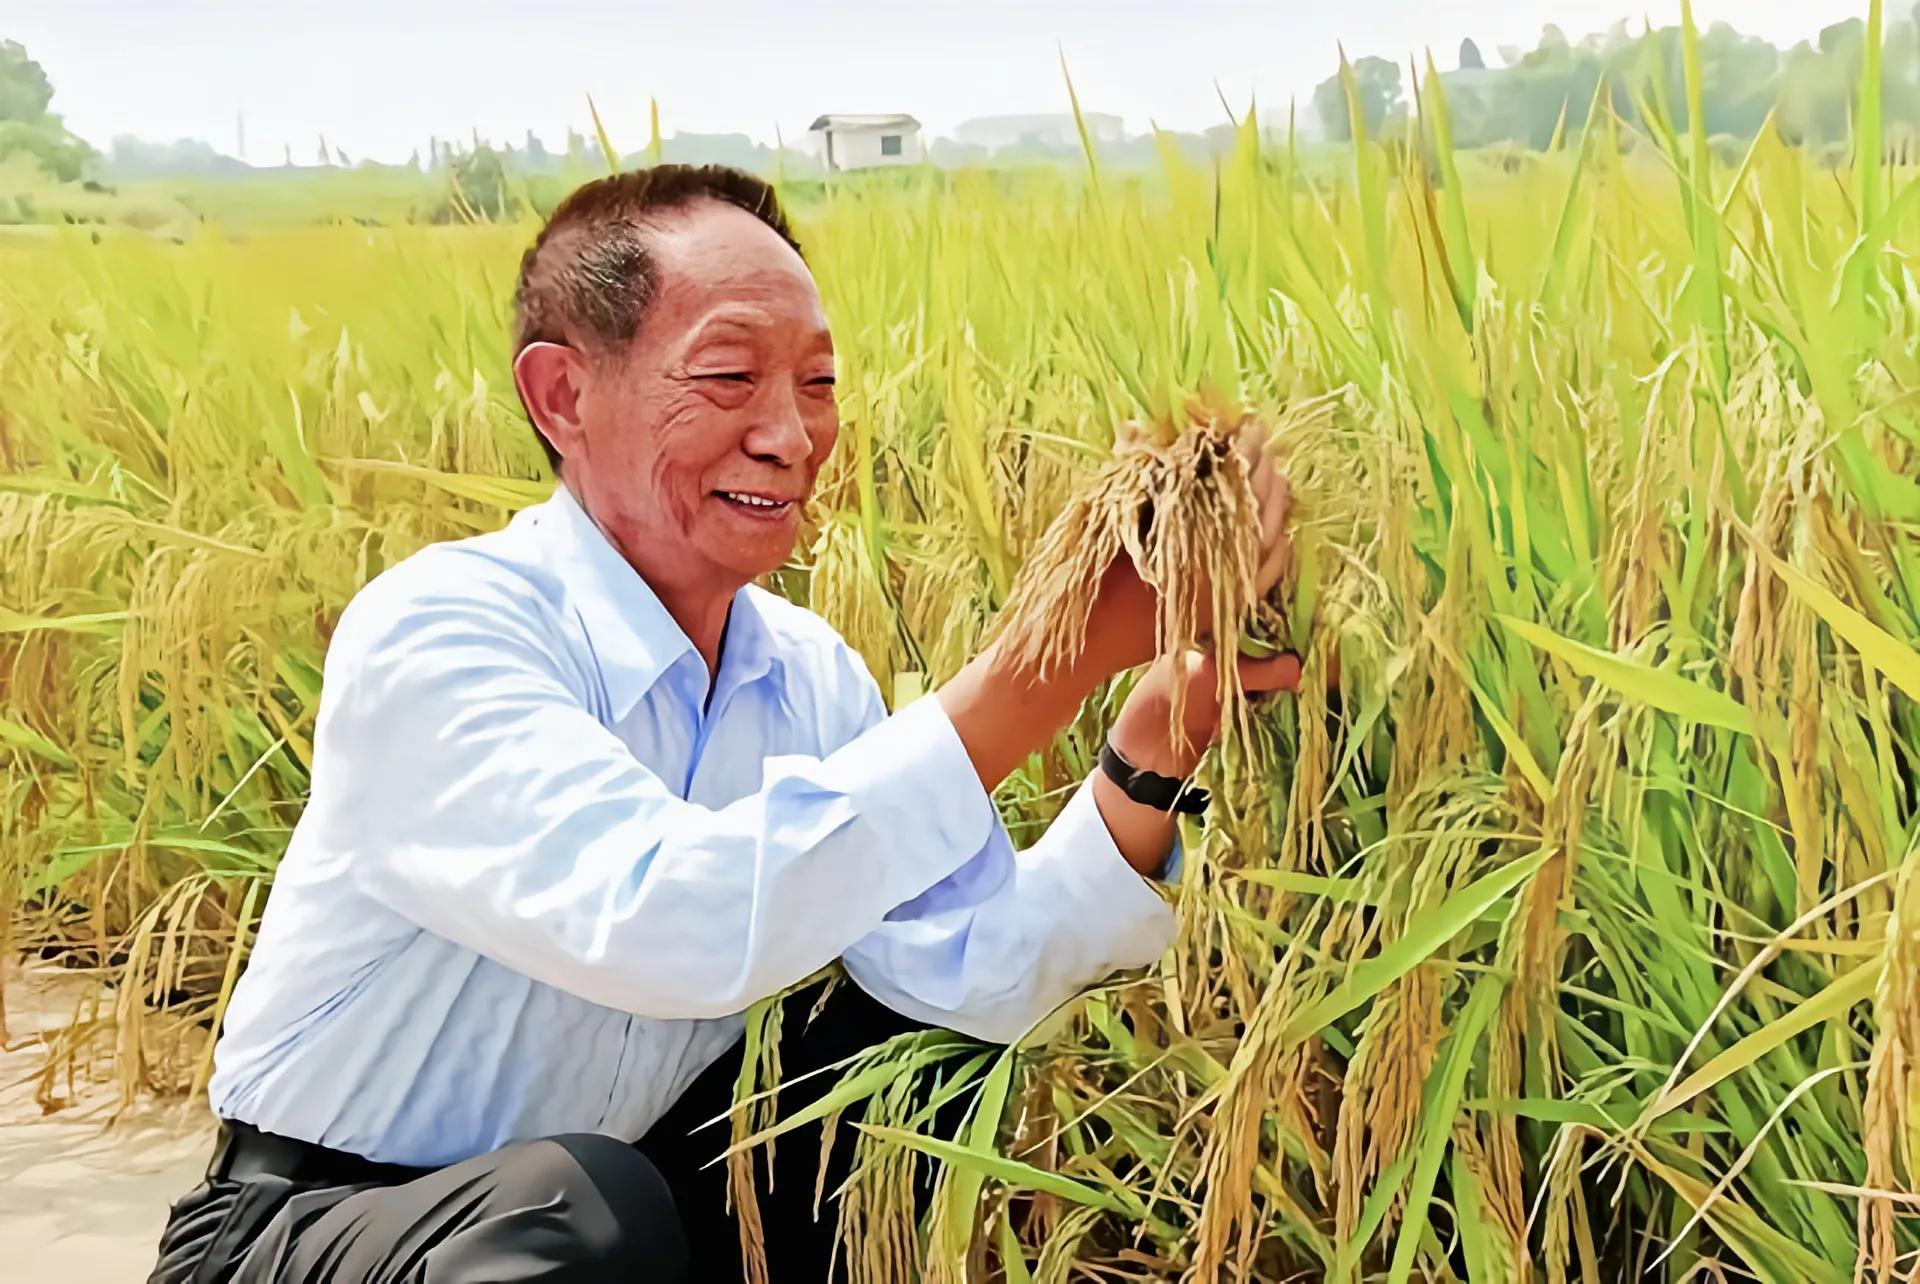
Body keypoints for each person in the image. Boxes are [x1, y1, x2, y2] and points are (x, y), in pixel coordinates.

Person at [147, 163, 1298, 1283]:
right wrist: (1049, 664)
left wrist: (1153, 750)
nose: (790, 437)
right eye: (731, 377)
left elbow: (970, 975)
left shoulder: (804, 678)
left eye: (819, 384)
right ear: (563, 396)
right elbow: (665, 918)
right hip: (312, 1230)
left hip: (600, 1210)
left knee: (891, 1068)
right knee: (582, 1209)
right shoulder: (442, 633)